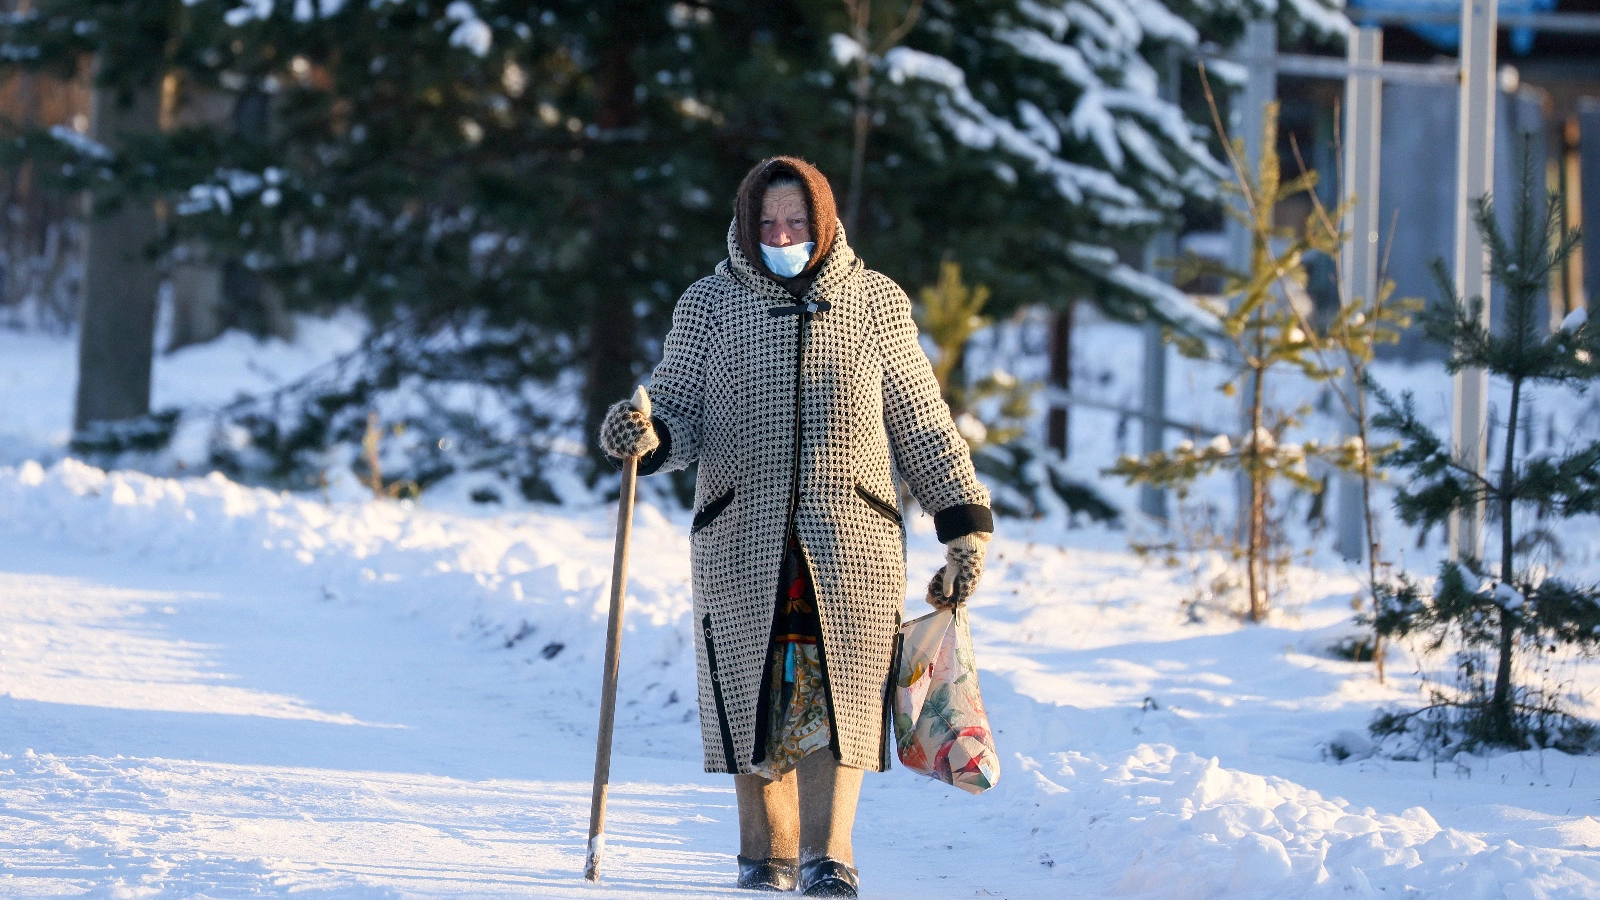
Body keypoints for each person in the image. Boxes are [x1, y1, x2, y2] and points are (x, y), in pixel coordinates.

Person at [599, 156, 992, 897]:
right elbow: (676, 411)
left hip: (853, 544)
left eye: (797, 223)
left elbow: (922, 424)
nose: (783, 235)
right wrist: (644, 436)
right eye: (768, 224)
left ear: (825, 223)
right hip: (741, 540)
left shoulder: (875, 303)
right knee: (757, 701)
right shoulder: (709, 304)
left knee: (841, 698)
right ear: (747, 228)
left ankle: (829, 858)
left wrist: (963, 525)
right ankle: (765, 853)